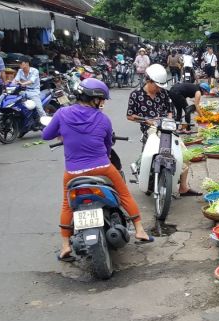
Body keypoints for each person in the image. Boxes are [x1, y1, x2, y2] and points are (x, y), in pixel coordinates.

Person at [43, 78, 152, 262]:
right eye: (102, 100)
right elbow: (108, 144)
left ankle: (65, 246)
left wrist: (62, 134)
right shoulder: (103, 119)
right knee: (124, 195)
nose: (102, 103)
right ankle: (140, 230)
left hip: (73, 173)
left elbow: (46, 135)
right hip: (102, 168)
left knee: (67, 204)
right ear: (94, 99)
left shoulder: (62, 114)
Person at [126, 64, 201, 197]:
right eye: (156, 86)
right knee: (150, 155)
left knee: (184, 154)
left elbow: (170, 110)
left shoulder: (163, 93)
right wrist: (146, 120)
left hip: (167, 128)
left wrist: (169, 120)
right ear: (148, 80)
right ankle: (147, 178)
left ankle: (183, 187)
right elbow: (130, 116)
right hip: (150, 129)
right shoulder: (136, 95)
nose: (158, 89)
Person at [15, 56, 47, 121]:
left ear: (27, 63)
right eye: (19, 63)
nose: (19, 64)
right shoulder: (20, 71)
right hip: (23, 91)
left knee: (39, 108)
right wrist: (9, 84)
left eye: (21, 63)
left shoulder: (35, 71)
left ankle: (47, 124)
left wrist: (23, 83)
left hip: (33, 92)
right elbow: (16, 80)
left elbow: (31, 81)